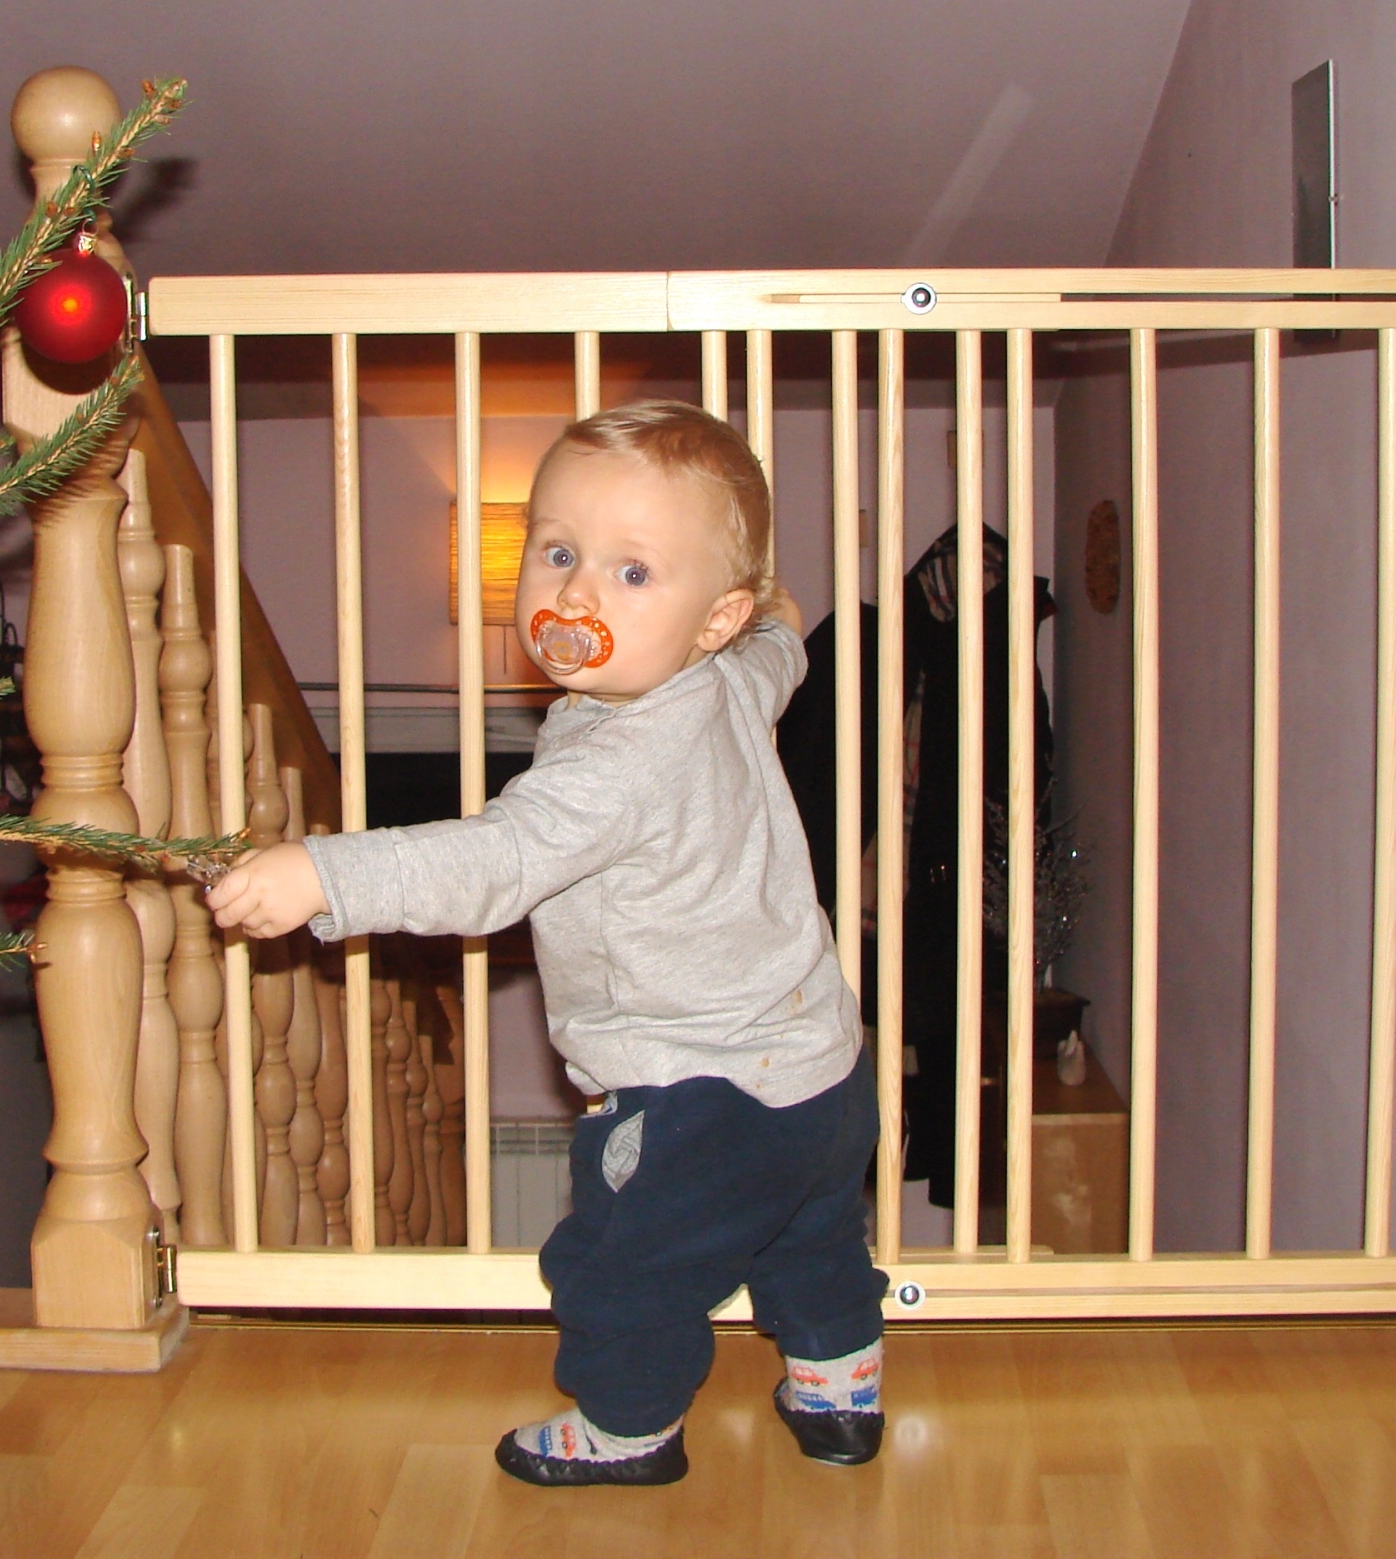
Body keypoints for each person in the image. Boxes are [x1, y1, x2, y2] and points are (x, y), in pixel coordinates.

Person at [207, 400, 887, 1488]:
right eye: (559, 553)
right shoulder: (726, 679)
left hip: (697, 1095)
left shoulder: (614, 764)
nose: (574, 596)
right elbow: (778, 661)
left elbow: (493, 861)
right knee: (813, 1236)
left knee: (618, 1269)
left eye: (631, 572)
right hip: (825, 1069)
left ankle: (627, 1430)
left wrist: (323, 874)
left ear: (709, 619)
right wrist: (776, 622)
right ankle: (838, 1389)